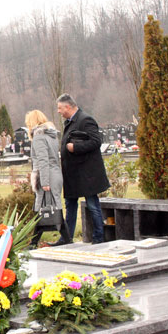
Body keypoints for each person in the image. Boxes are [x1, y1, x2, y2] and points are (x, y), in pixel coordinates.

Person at [57, 93, 110, 244]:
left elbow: (96, 142)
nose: (58, 111)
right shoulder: (69, 122)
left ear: (68, 106)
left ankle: (98, 238)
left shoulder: (85, 120)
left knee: (93, 205)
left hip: (87, 174)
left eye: (60, 108)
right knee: (70, 207)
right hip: (73, 175)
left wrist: (75, 147)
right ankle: (67, 238)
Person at [25, 111, 72, 247]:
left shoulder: (39, 137)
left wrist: (44, 182)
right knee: (54, 207)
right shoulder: (51, 135)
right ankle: (66, 239)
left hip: (46, 175)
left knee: (41, 208)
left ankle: (34, 242)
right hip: (55, 174)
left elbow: (43, 160)